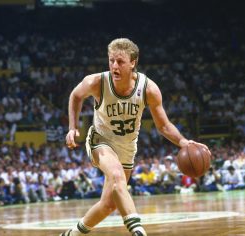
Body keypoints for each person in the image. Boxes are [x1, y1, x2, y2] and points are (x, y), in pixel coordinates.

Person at [61, 38, 210, 236]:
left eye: (120, 61)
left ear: (133, 62)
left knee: (108, 205)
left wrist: (184, 142)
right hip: (100, 141)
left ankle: (71, 234)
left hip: (127, 149)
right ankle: (138, 231)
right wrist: (73, 127)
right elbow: (76, 96)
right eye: (111, 60)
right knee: (115, 175)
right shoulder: (97, 82)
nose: (114, 66)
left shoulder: (148, 89)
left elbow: (164, 125)